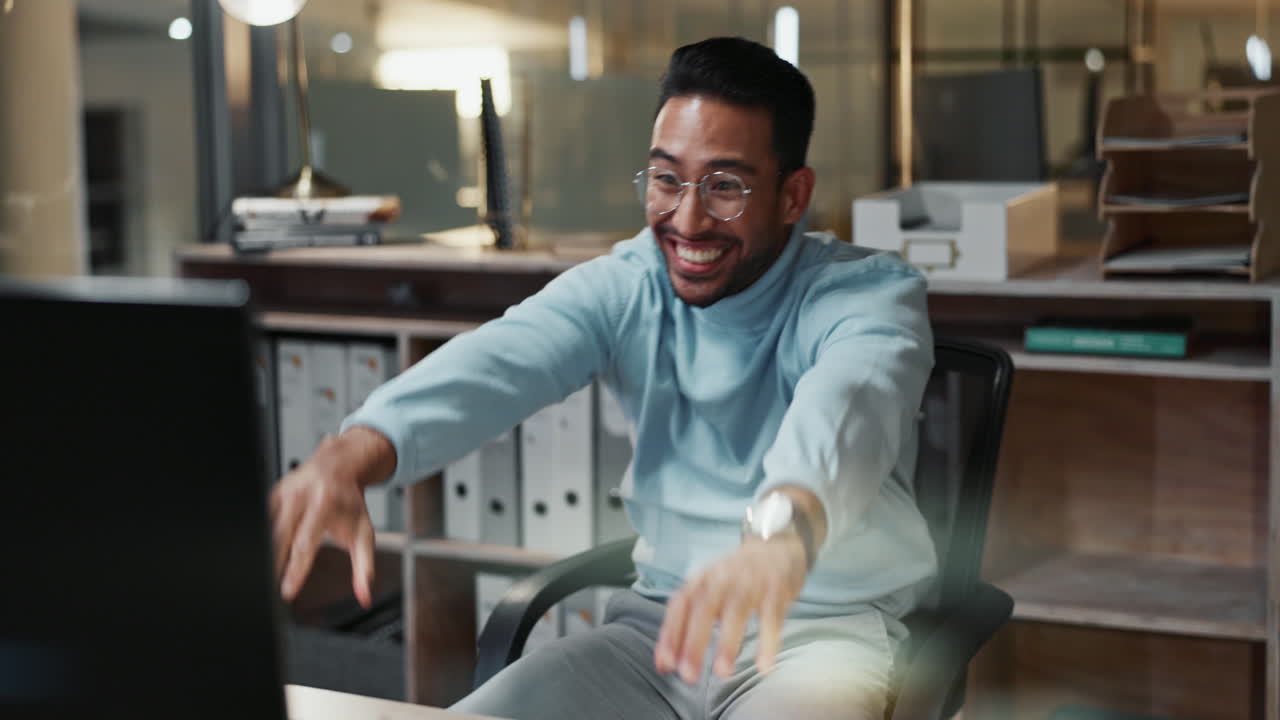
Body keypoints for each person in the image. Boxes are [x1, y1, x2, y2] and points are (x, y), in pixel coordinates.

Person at [270, 36, 936, 720]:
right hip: (656, 636)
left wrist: (775, 538)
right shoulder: (631, 283)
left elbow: (846, 410)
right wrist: (351, 452)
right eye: (667, 179)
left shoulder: (867, 296)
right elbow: (500, 360)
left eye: (726, 186)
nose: (687, 218)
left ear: (794, 195)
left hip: (816, 641)